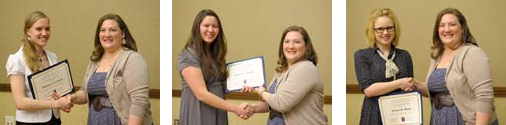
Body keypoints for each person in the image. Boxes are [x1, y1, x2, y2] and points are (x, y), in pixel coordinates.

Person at [414, 8, 498, 125]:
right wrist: (414, 85)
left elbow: (484, 97)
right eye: (442, 25)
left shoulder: (472, 53)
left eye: (452, 25)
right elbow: (438, 89)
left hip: (466, 121)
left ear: (462, 28)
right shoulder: (437, 55)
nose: (446, 29)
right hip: (438, 119)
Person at [69, 13, 154, 125]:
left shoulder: (133, 59)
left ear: (122, 34)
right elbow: (85, 92)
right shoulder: (95, 60)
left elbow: (139, 102)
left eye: (112, 30)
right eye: (102, 30)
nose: (107, 34)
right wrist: (72, 98)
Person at [178, 9, 253, 125]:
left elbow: (221, 87)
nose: (211, 30)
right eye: (206, 26)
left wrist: (242, 85)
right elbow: (201, 94)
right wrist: (236, 108)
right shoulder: (189, 55)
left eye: (215, 26)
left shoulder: (216, 55)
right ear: (197, 28)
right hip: (198, 113)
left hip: (218, 112)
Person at [244, 25, 327, 125]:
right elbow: (272, 104)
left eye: (296, 42)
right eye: (287, 41)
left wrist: (261, 92)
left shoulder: (306, 69)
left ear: (306, 46)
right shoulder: (281, 70)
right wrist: (251, 108)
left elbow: (281, 104)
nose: (291, 46)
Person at [5, 11, 73, 125]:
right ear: (28, 31)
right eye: (39, 29)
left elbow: (54, 92)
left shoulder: (52, 57)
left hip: (54, 120)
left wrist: (64, 103)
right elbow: (20, 103)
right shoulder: (16, 59)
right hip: (30, 122)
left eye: (47, 29)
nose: (44, 33)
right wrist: (56, 104)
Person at [353, 8, 416, 125]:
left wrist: (408, 86)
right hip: (374, 113)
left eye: (389, 28)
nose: (385, 33)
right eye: (380, 29)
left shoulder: (404, 55)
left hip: (401, 114)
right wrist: (399, 83)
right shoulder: (362, 56)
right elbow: (368, 90)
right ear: (372, 31)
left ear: (395, 29)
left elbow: (409, 86)